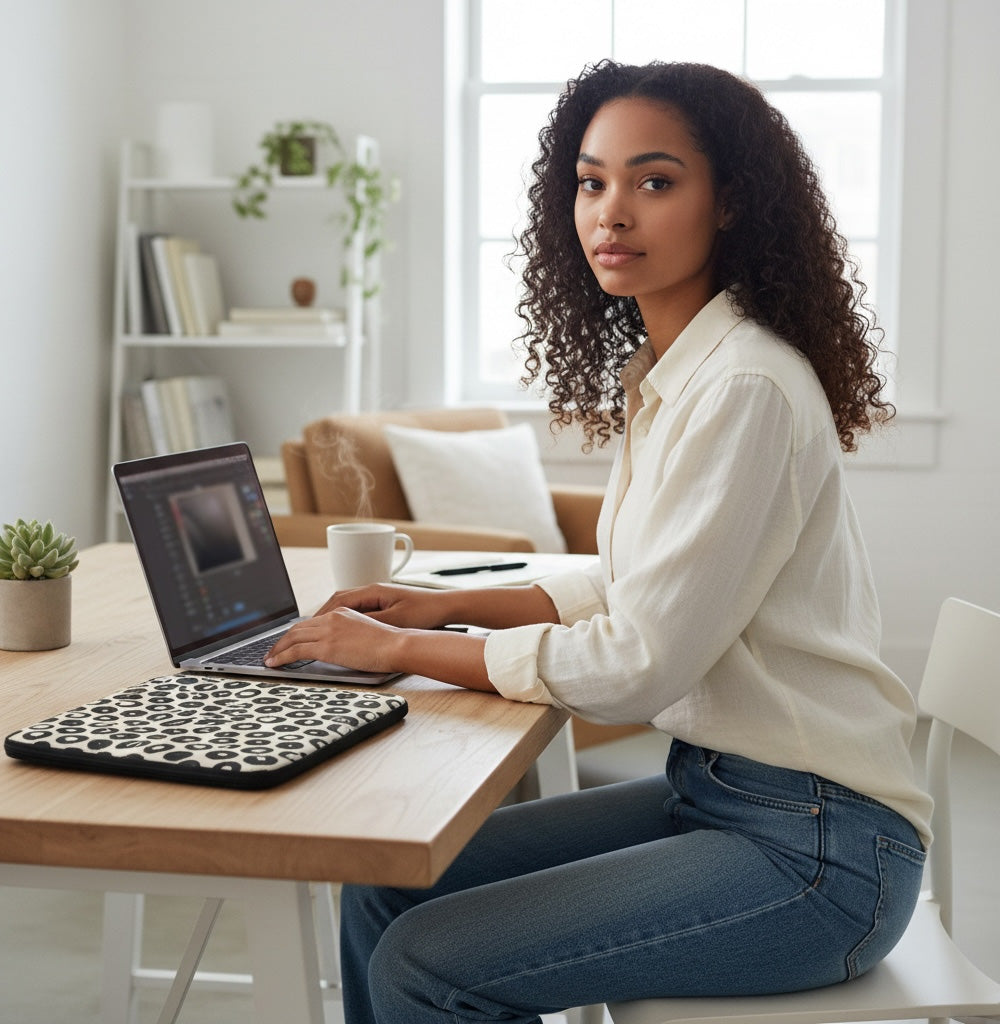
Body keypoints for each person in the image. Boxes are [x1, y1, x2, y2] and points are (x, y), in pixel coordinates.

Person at [266, 60, 932, 1023]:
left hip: (819, 851)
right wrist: (445, 605)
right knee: (386, 883)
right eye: (592, 181)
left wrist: (402, 651)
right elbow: (628, 586)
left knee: (426, 962)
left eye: (654, 182)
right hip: (719, 793)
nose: (611, 213)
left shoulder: (743, 386)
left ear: (731, 202)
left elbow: (640, 664)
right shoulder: (669, 372)